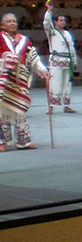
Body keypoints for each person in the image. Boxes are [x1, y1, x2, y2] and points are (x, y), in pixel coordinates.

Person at [0, 13, 50, 150]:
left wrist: (43, 70)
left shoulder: (25, 41)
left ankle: (23, 141)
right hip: (3, 81)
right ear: (2, 25)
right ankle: (2, 142)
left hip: (19, 81)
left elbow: (34, 59)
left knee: (20, 110)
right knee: (2, 112)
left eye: (14, 21)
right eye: (9, 22)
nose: (12, 23)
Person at [43, 0, 78, 113]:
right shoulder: (52, 32)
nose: (63, 22)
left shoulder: (67, 33)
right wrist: (49, 10)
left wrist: (74, 61)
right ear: (55, 22)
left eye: (64, 20)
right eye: (60, 20)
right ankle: (51, 107)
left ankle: (66, 105)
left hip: (67, 61)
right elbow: (46, 24)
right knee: (55, 83)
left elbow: (72, 48)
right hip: (56, 61)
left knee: (67, 84)